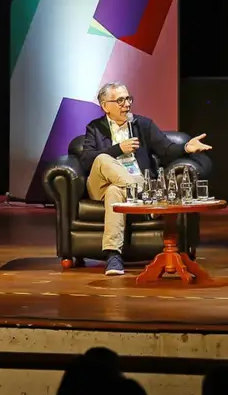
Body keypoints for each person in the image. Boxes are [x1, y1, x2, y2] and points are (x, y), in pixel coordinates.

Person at [80, 82, 214, 276]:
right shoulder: (95, 128)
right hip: (100, 183)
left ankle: (113, 256)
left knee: (114, 192)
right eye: (120, 100)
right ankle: (146, 196)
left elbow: (166, 150)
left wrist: (186, 148)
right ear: (105, 106)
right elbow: (86, 161)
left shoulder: (142, 125)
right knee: (102, 159)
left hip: (123, 187)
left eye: (128, 99)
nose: (126, 104)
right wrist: (119, 149)